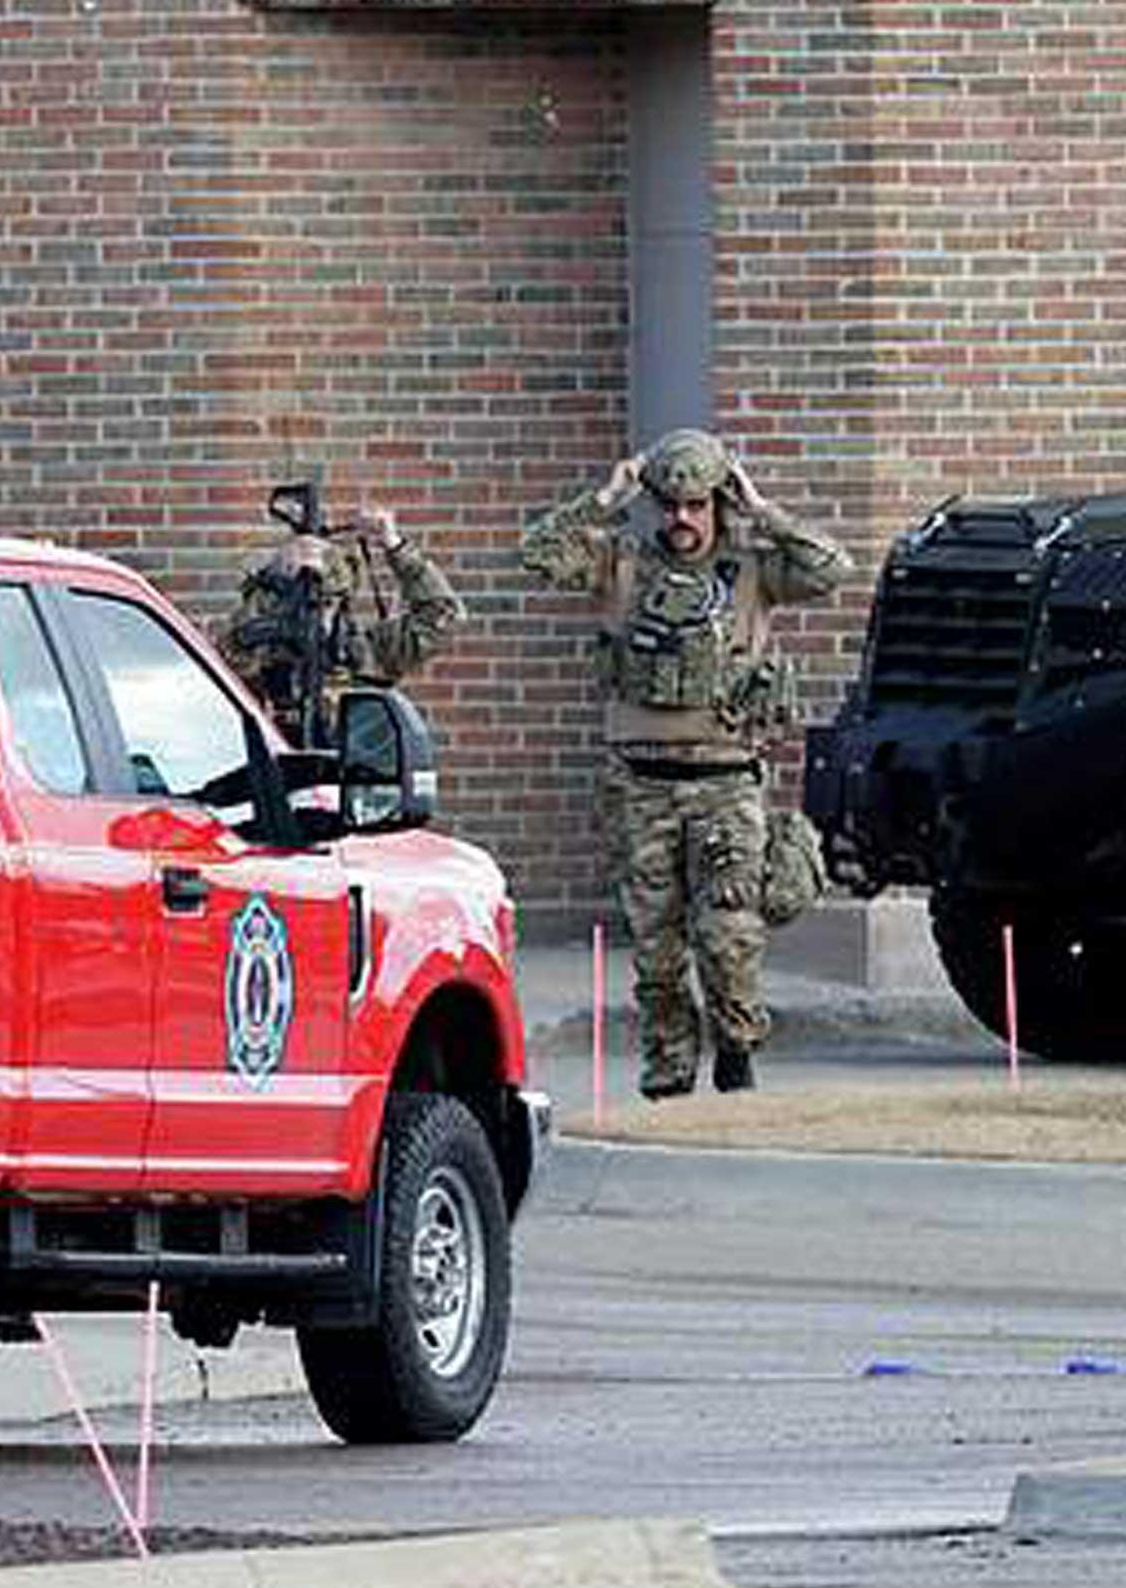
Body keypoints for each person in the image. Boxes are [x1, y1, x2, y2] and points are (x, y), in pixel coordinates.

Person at [520, 429, 851, 1097]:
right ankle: (668, 1080)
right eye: (670, 505)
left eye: (697, 505)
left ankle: (736, 1056)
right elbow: (537, 555)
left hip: (726, 783)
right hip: (641, 786)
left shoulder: (754, 567)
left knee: (728, 939)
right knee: (657, 953)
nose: (682, 520)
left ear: (717, 503)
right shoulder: (621, 564)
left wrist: (764, 514)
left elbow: (832, 566)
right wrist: (605, 499)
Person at [217, 497, 465, 745]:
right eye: (303, 600)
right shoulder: (260, 649)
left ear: (343, 601)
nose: (317, 613)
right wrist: (274, 581)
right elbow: (224, 662)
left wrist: (394, 545)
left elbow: (444, 614)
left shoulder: (369, 652)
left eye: (328, 602)